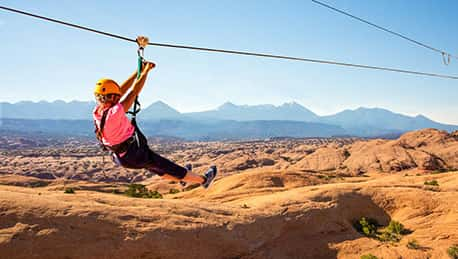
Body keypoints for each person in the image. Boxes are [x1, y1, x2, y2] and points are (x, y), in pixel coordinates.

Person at [92, 61, 216, 188]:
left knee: (157, 169)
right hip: (134, 154)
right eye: (116, 96)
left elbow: (120, 91)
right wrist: (145, 72)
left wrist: (137, 71)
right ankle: (204, 180)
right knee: (169, 167)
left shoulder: (98, 111)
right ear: (112, 97)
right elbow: (133, 92)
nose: (118, 97)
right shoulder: (115, 112)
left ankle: (182, 179)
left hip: (119, 157)